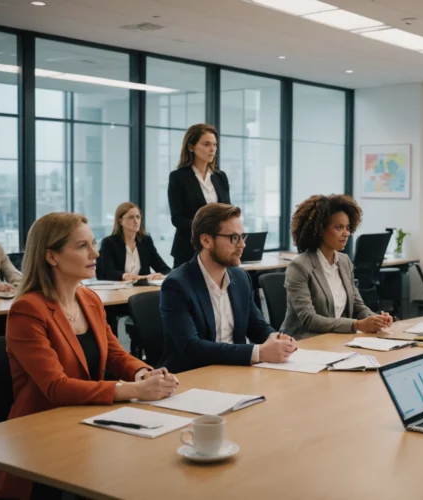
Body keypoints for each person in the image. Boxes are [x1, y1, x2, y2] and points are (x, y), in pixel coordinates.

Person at [0, 212, 178, 500]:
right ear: (51, 256)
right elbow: (56, 387)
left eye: (92, 244)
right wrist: (134, 389)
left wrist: (142, 373)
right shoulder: (28, 310)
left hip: (89, 421)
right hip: (42, 438)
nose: (95, 253)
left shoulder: (89, 299)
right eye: (82, 246)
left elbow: (117, 356)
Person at [160, 203, 296, 373]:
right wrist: (258, 352)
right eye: (234, 238)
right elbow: (191, 348)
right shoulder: (177, 285)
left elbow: (256, 326)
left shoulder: (240, 277)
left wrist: (276, 339)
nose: (242, 245)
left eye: (242, 237)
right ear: (206, 240)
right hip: (193, 376)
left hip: (235, 371)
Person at [281, 194, 393, 337]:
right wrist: (357, 325)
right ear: (320, 229)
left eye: (347, 227)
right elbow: (309, 319)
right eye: (338, 227)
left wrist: (377, 320)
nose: (346, 233)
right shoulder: (299, 266)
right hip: (305, 341)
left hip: (336, 337)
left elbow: (358, 306)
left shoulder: (344, 261)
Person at [167, 124, 231, 268]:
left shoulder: (220, 177)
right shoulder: (178, 177)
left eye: (214, 144)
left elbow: (228, 212)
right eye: (206, 144)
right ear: (191, 147)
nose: (212, 149)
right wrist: (207, 228)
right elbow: (177, 218)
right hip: (188, 250)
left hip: (217, 249)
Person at [97, 202, 171, 282]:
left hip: (142, 288)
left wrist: (161, 275)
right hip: (118, 289)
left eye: (138, 217)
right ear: (120, 221)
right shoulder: (109, 243)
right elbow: (108, 272)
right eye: (131, 217)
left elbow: (164, 268)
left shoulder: (146, 241)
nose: (136, 221)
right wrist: (124, 276)